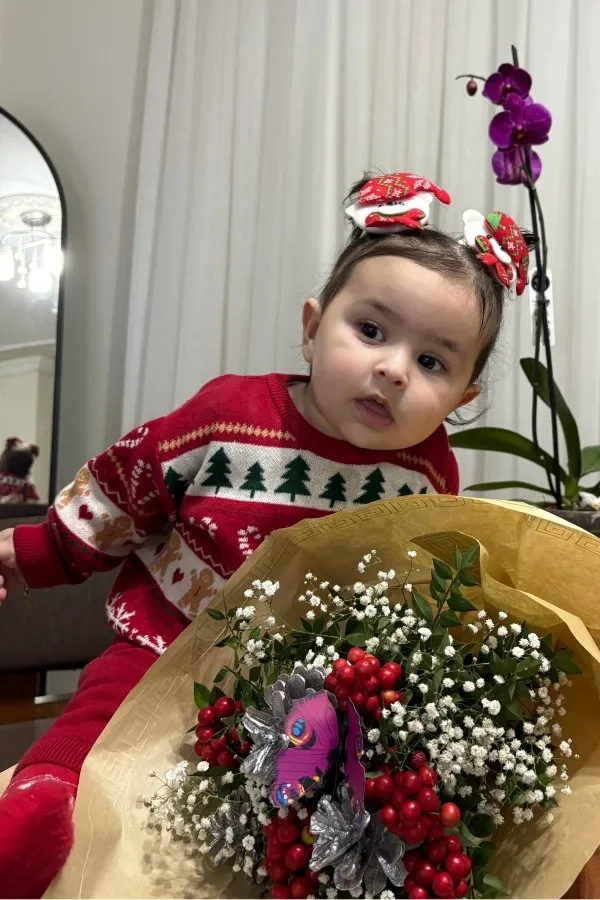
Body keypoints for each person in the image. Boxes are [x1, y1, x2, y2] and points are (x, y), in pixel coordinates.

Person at [0, 172, 531, 898]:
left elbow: (423, 578)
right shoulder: (229, 413)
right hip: (171, 640)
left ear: (461, 397)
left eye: (432, 362)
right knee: (100, 713)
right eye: (371, 331)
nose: (392, 370)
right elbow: (122, 491)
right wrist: (26, 554)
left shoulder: (428, 469)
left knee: (323, 808)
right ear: (312, 328)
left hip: (311, 686)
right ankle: (36, 805)